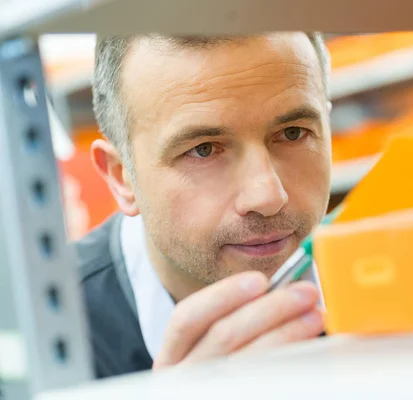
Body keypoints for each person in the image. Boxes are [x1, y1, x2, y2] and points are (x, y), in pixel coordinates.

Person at [76, 32, 333, 379]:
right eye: (204, 149)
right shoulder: (42, 333)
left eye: (292, 133)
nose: (268, 197)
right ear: (122, 177)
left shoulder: (409, 270)